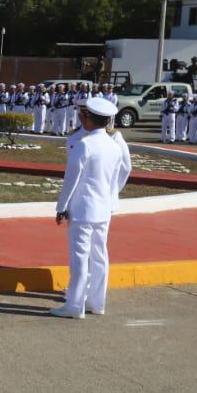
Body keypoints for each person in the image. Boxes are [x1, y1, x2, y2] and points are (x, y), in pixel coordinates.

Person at [51, 98, 127, 319]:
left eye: (82, 115)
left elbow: (71, 179)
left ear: (87, 118)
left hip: (83, 209)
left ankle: (74, 306)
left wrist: (61, 206)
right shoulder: (114, 146)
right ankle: (97, 302)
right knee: (99, 256)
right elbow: (114, 180)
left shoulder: (84, 144)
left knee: (80, 258)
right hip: (103, 210)